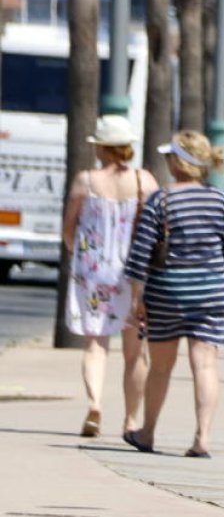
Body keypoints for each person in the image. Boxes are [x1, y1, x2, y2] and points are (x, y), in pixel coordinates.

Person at [124, 131, 224, 458]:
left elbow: (141, 253)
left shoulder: (161, 200)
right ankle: (202, 438)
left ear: (178, 163)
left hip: (167, 290)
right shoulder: (221, 200)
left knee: (161, 367)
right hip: (211, 291)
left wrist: (137, 298)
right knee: (205, 366)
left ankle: (146, 434)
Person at [63, 116, 159, 437]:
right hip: (135, 272)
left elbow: (69, 227)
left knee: (95, 342)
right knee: (135, 350)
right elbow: (159, 226)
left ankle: (95, 404)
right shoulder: (144, 180)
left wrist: (78, 253)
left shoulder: (85, 180)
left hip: (92, 269)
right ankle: (131, 420)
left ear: (101, 147)